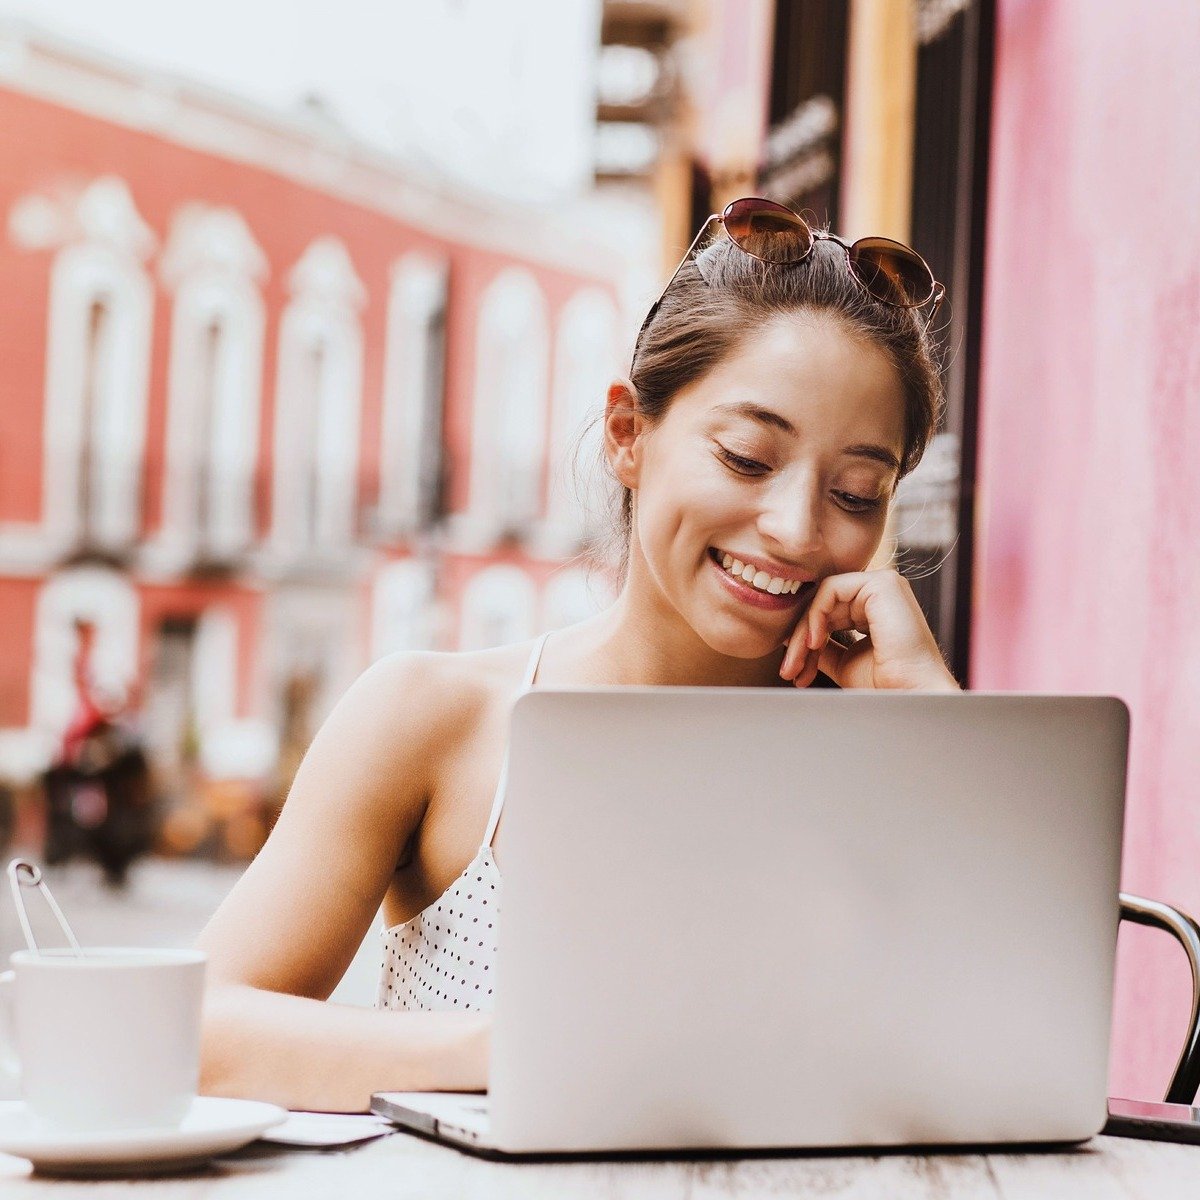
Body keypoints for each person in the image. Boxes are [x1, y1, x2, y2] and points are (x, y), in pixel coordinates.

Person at [197, 198, 960, 1112]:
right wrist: (520, 1045)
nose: (797, 530)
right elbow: (198, 1030)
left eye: (855, 491)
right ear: (629, 435)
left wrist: (932, 732)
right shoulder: (433, 717)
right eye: (749, 459)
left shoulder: (892, 745)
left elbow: (1001, 1055)